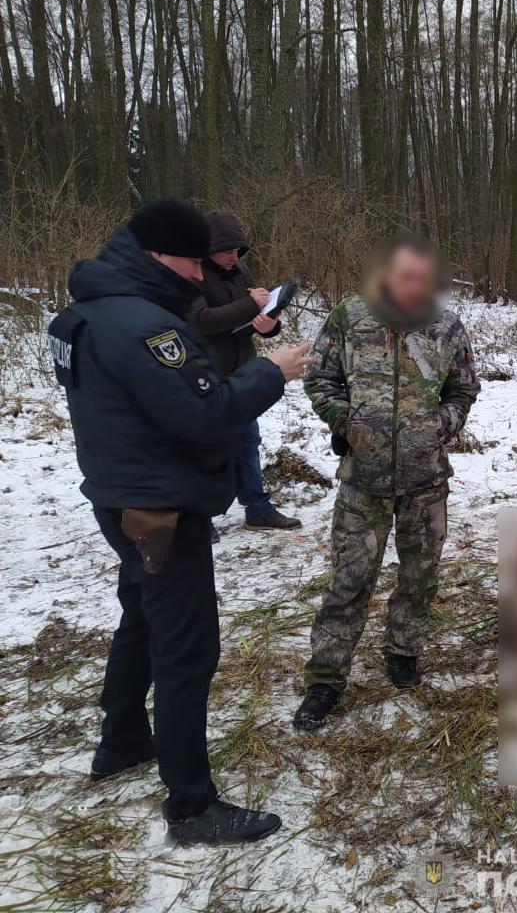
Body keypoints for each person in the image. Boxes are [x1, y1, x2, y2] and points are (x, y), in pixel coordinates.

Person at [48, 198, 313, 843]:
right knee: (187, 648)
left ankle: (121, 741)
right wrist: (270, 372)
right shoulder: (144, 327)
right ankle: (192, 807)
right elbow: (203, 411)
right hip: (160, 506)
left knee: (142, 616)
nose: (200, 276)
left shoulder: (82, 314)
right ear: (157, 254)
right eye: (193, 263)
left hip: (120, 495)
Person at [293, 232, 481, 731]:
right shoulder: (350, 317)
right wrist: (346, 421)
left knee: (419, 577)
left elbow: (464, 388)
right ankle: (325, 679)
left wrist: (441, 425)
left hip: (426, 480)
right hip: (364, 480)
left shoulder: (446, 326)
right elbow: (320, 377)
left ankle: (403, 652)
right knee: (349, 581)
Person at [188, 209, 301, 531]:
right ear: (209, 250)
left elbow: (258, 318)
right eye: (227, 251)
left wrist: (269, 325)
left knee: (248, 440)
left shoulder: (240, 271)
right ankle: (199, 517)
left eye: (237, 251)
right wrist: (250, 305)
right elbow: (200, 321)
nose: (233, 257)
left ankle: (258, 507)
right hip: (205, 374)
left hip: (243, 370)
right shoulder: (192, 275)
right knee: (206, 447)